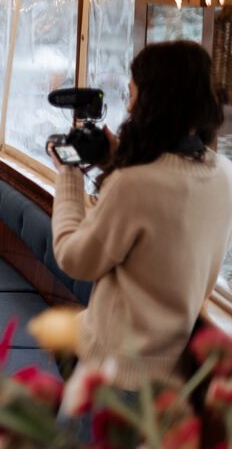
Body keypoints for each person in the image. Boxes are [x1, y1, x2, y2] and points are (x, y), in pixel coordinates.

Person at [49, 40, 232, 413]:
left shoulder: (134, 186)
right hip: (172, 382)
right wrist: (116, 159)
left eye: (133, 94)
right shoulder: (221, 174)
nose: (129, 107)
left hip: (114, 379)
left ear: (153, 102)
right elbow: (168, 204)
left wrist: (68, 175)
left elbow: (73, 257)